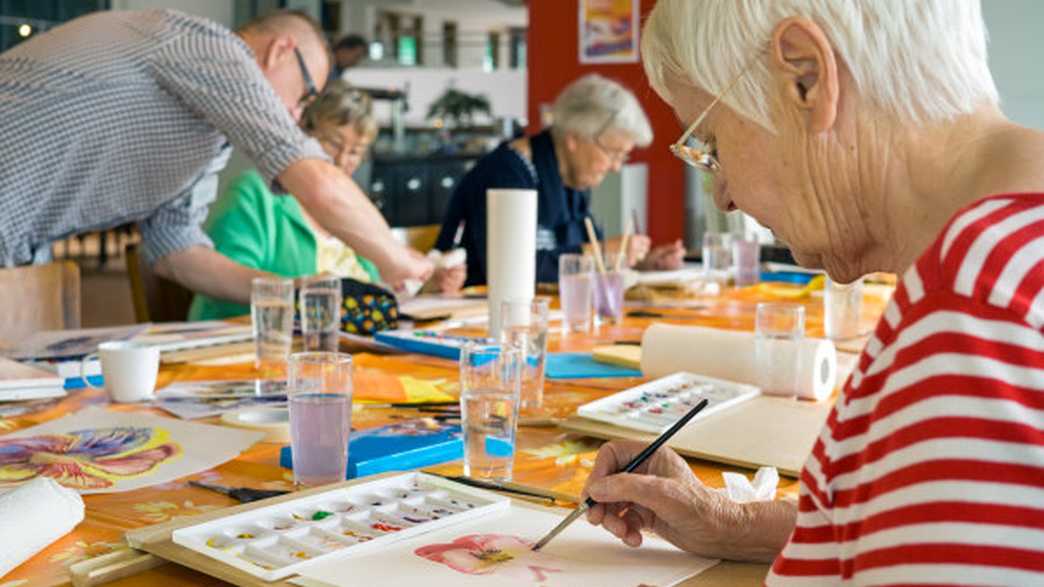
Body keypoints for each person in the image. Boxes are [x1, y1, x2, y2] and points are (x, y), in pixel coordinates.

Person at [583, 1, 1044, 584]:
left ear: (806, 77)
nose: (721, 194)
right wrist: (732, 522)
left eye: (714, 146)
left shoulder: (974, 323)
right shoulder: (1003, 268)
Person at [0, 9, 431, 305]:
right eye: (303, 96)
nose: (295, 115)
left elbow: (178, 253)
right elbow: (317, 182)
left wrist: (293, 293)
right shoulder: (213, 48)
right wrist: (398, 259)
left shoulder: (206, 138)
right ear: (280, 51)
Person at [190, 81, 467, 320]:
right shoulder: (254, 194)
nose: (342, 160)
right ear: (302, 133)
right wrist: (299, 290)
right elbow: (221, 293)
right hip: (255, 350)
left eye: (356, 151)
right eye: (333, 143)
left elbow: (377, 286)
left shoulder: (350, 208)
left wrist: (428, 284)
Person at [434, 74, 686, 286]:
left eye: (624, 156)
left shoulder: (572, 179)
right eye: (613, 153)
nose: (617, 167)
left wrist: (639, 260)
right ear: (574, 139)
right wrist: (600, 254)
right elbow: (510, 271)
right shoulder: (506, 174)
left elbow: (578, 251)